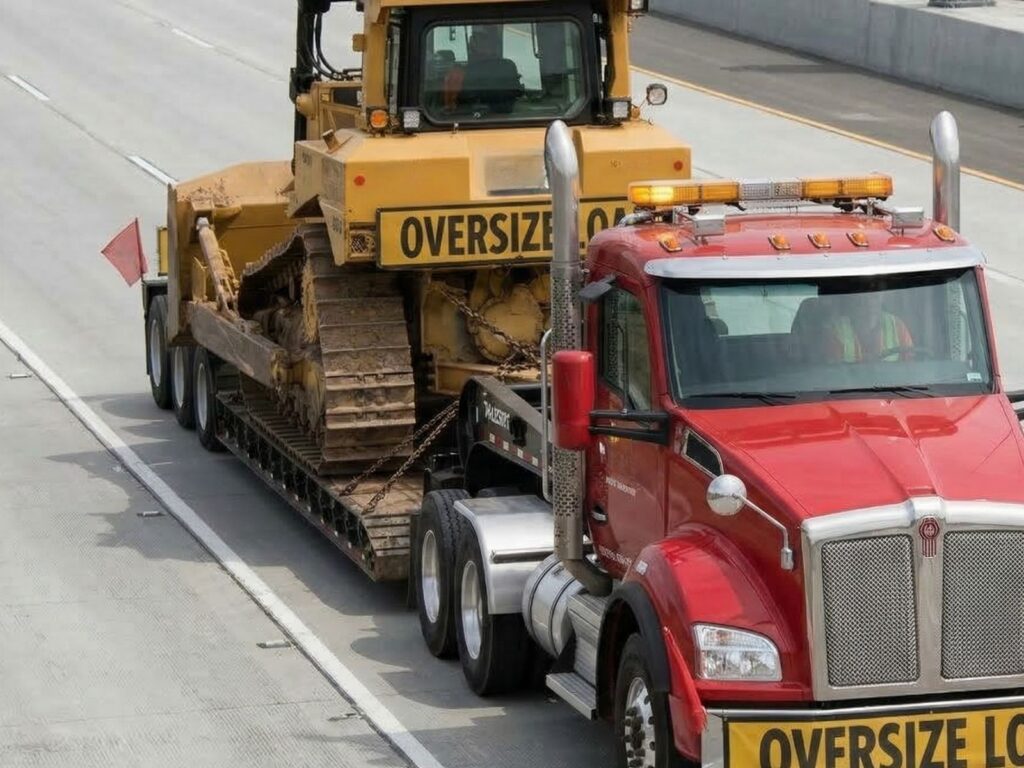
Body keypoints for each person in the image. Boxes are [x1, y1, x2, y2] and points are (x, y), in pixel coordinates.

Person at [820, 289, 914, 363]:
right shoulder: (836, 330)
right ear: (853, 298)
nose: (869, 301)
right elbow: (833, 373)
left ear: (882, 298)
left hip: (893, 385)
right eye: (863, 297)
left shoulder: (896, 326)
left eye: (874, 296)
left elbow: (909, 367)